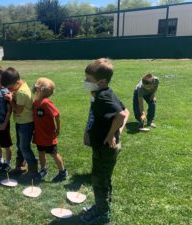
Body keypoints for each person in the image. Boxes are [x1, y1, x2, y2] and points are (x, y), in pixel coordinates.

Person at [80, 58, 127, 224]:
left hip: (105, 148)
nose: (85, 82)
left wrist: (111, 134)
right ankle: (101, 206)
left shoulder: (102, 97)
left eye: (88, 80)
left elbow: (122, 115)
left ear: (102, 82)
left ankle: (102, 213)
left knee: (99, 181)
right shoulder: (103, 92)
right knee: (103, 179)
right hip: (102, 147)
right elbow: (124, 110)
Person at [1, 67, 38, 177]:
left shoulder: (22, 92)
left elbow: (18, 110)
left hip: (26, 123)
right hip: (21, 122)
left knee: (24, 147)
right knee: (20, 145)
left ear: (16, 82)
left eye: (10, 87)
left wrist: (10, 99)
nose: (10, 90)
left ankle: (33, 169)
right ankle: (20, 166)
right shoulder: (21, 85)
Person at [32, 77, 68, 182]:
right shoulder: (35, 102)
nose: (35, 86)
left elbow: (56, 115)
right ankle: (43, 170)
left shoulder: (46, 102)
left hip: (48, 135)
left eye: (37, 85)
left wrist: (58, 128)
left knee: (53, 153)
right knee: (41, 153)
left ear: (41, 89)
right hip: (39, 134)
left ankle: (63, 171)